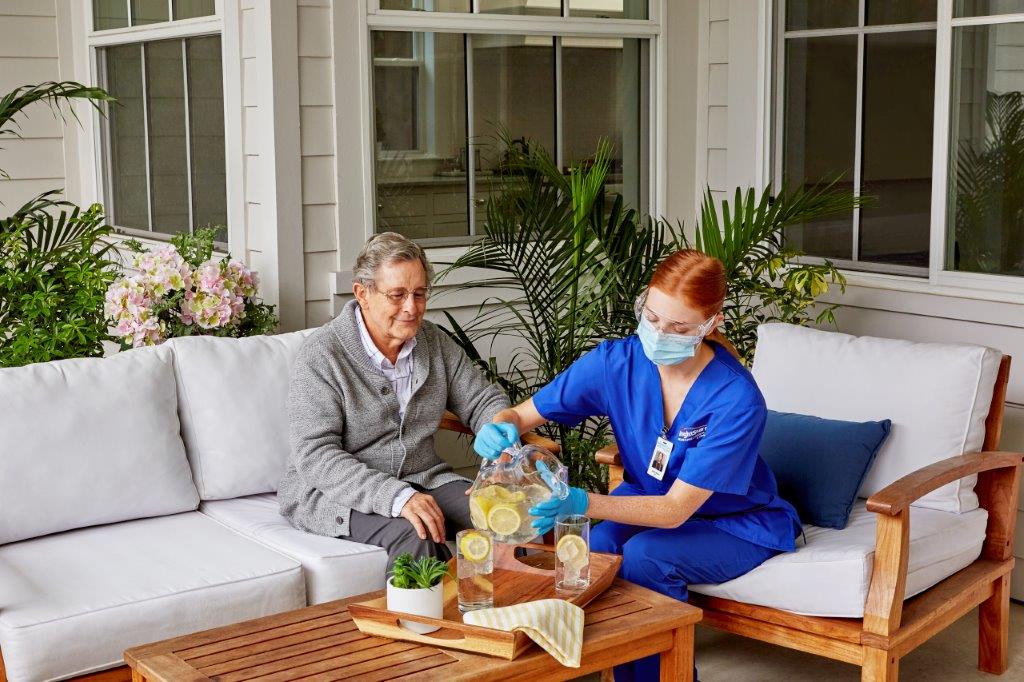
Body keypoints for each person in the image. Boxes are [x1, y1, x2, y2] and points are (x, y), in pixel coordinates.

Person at [473, 249, 801, 682]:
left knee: (647, 556)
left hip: (734, 521)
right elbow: (522, 413)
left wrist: (577, 501)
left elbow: (674, 510)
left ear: (710, 324)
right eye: (652, 318)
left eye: (678, 327)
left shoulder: (736, 399)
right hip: (646, 499)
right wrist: (499, 426)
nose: (660, 334)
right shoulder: (617, 362)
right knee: (598, 548)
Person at [279, 232, 510, 569]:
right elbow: (315, 455)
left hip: (425, 478)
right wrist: (398, 497)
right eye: (397, 295)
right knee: (415, 533)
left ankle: (501, 616)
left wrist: (500, 430)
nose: (411, 308)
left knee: (500, 515)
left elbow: (481, 398)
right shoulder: (323, 355)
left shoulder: (433, 342)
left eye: (419, 294)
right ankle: (418, 622)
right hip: (333, 492)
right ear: (363, 294)